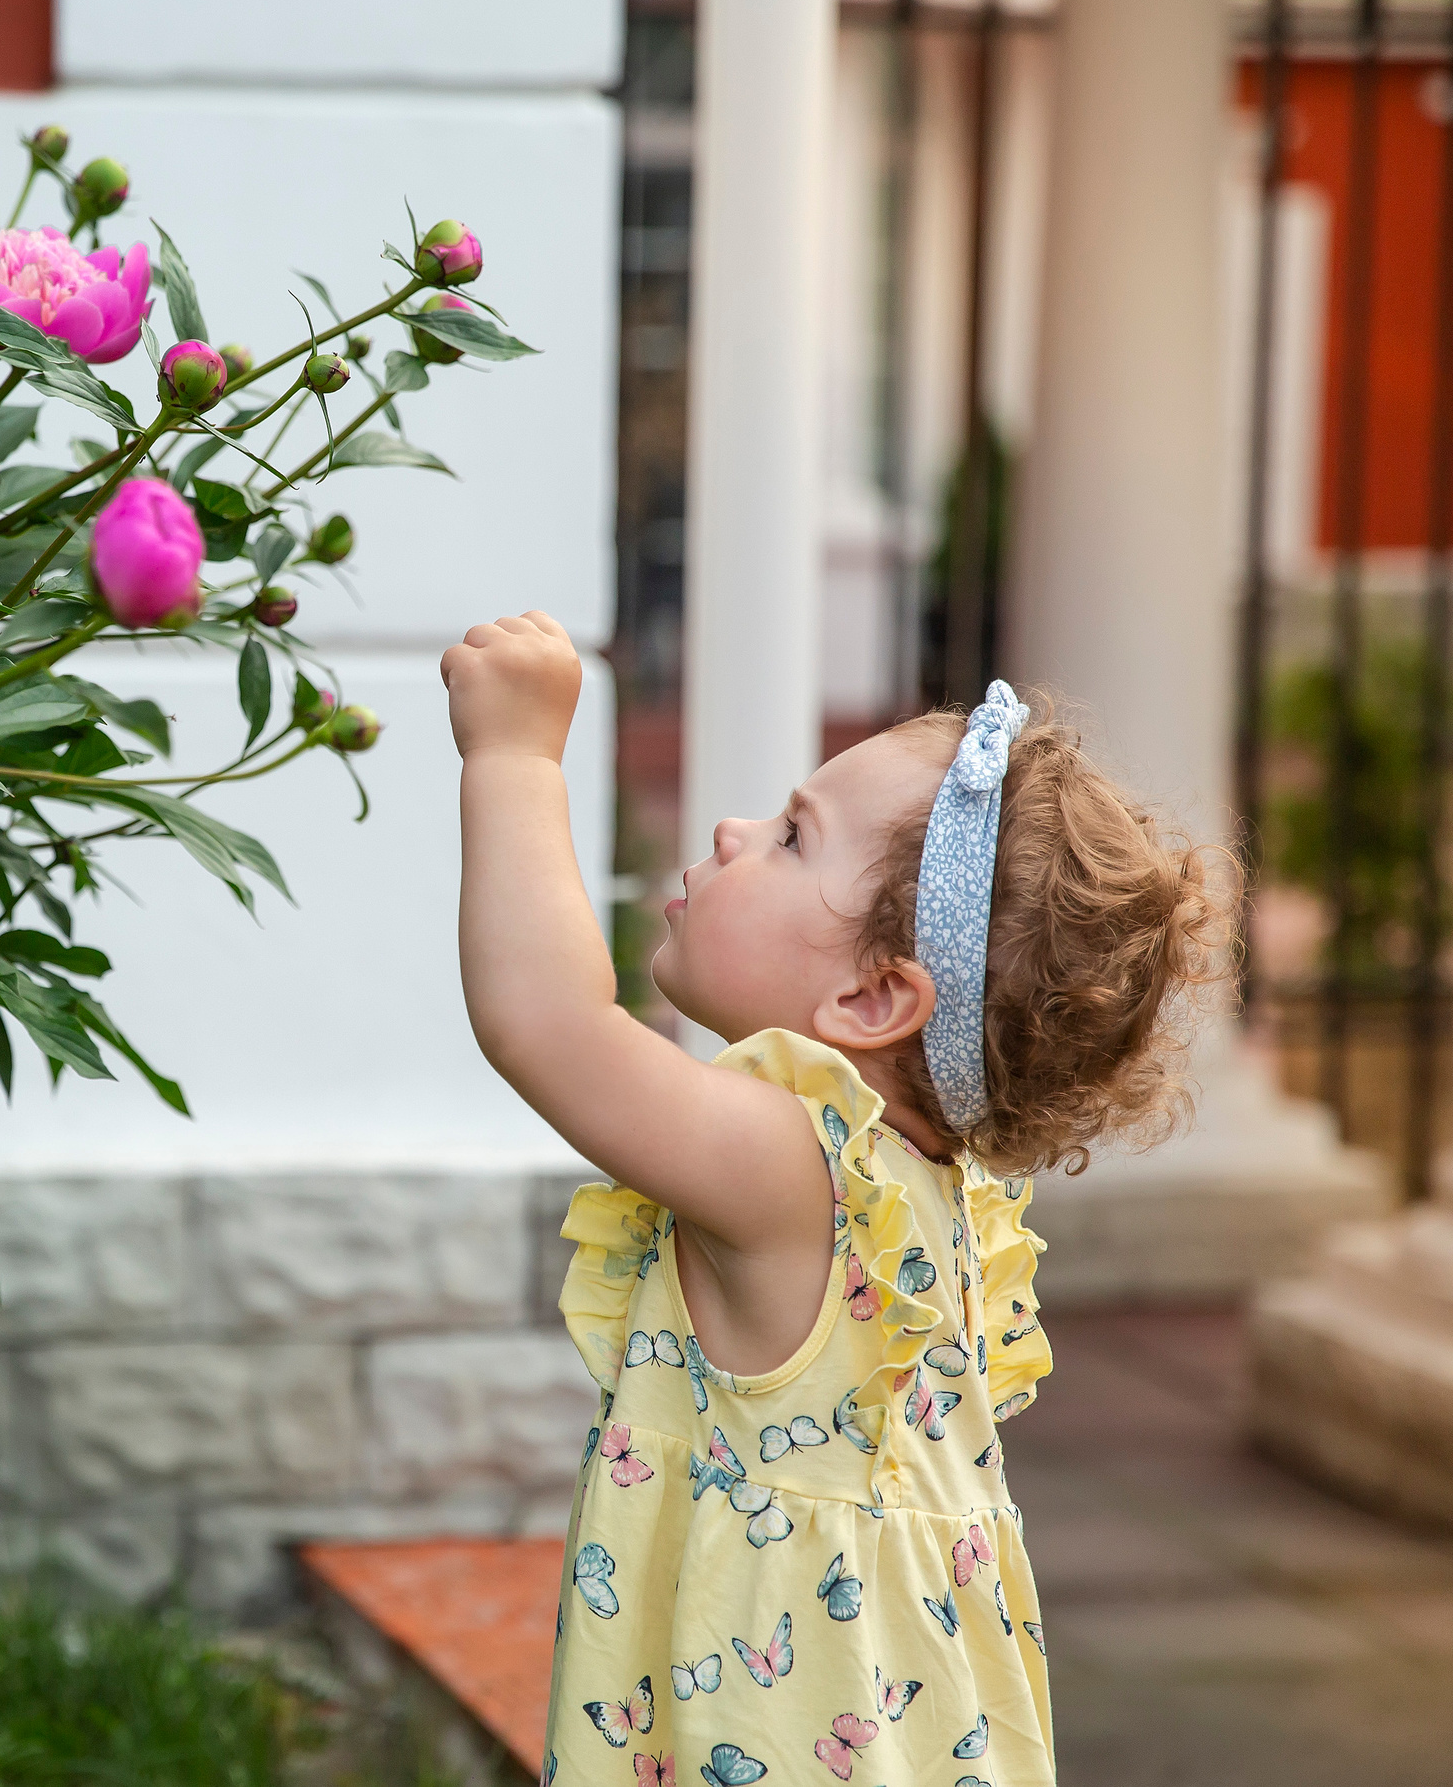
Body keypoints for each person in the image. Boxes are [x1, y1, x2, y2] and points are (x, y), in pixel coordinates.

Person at [442, 612, 1226, 1787]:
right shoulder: (923, 1194)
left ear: (871, 1001)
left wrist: (512, 756)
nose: (732, 827)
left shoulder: (787, 1166)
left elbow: (546, 1022)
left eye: (790, 836)